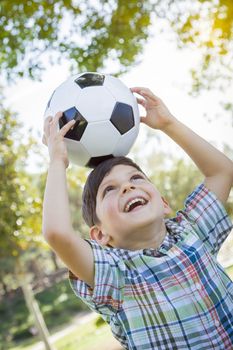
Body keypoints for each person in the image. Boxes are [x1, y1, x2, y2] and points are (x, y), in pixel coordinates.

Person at [42, 87, 233, 349]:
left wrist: (169, 124)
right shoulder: (113, 274)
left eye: (136, 179)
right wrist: (57, 162)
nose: (127, 188)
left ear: (163, 203)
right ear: (100, 235)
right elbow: (57, 234)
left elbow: (222, 172)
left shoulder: (192, 232)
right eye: (109, 190)